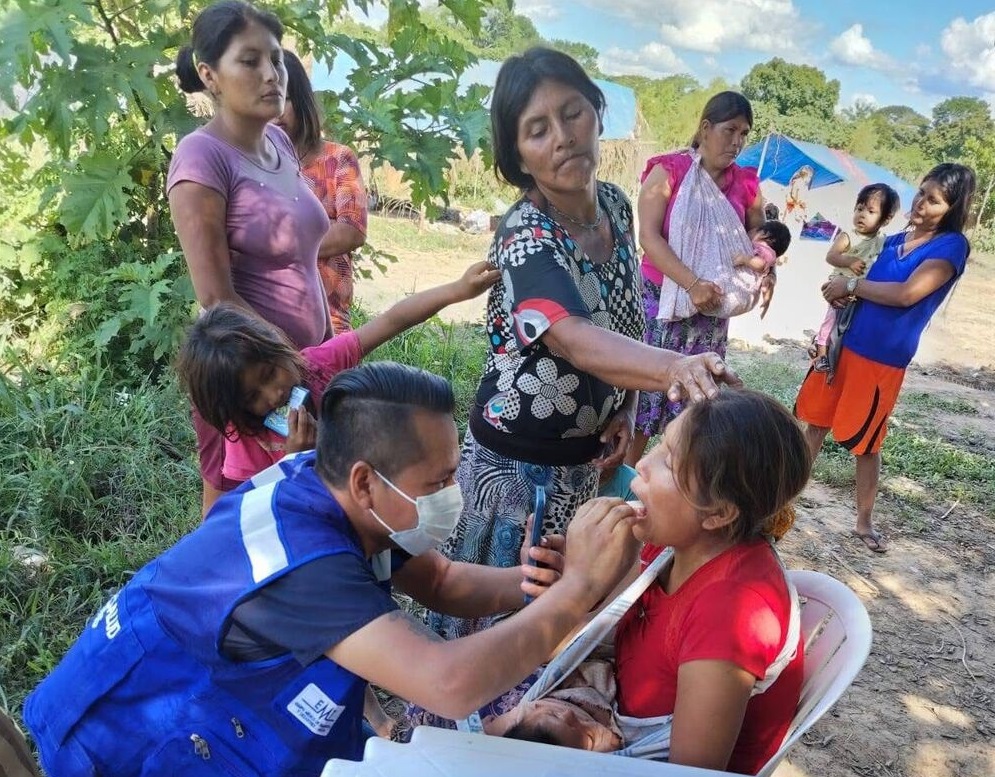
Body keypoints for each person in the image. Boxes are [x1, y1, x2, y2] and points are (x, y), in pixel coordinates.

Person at [23, 362, 642, 776]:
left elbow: (443, 581)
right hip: (124, 730)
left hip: (216, 699)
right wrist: (578, 591)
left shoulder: (339, 490)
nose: (453, 492)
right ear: (367, 481)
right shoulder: (303, 564)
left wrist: (539, 584)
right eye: (441, 480)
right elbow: (446, 683)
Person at [430, 49, 740, 642]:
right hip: (515, 464)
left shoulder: (619, 210)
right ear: (517, 156)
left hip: (583, 462)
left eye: (572, 114)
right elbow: (572, 337)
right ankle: (458, 725)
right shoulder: (524, 234)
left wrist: (623, 406)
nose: (563, 138)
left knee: (558, 609)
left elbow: (624, 319)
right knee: (494, 622)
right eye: (537, 130)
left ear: (598, 114)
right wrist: (675, 366)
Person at [484, 390, 812, 775]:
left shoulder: (730, 614)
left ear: (718, 513)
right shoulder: (673, 544)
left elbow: (692, 771)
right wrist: (575, 583)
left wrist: (578, 589)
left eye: (670, 463)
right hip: (609, 706)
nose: (642, 463)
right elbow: (572, 644)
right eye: (661, 444)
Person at [168, 1, 331, 515]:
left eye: (277, 59)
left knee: (297, 498)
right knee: (233, 508)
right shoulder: (201, 158)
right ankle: (209, 596)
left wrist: (314, 355)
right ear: (209, 74)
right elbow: (215, 296)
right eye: (250, 61)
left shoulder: (279, 142)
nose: (271, 75)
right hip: (249, 378)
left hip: (297, 368)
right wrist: (290, 365)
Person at [176, 261, 498, 488]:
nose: (272, 394)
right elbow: (259, 509)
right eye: (252, 397)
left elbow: (391, 321)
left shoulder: (318, 366)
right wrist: (293, 461)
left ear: (277, 345)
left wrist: (457, 290)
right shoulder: (246, 435)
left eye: (270, 373)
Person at [795, 163, 975, 553]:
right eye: (921, 192)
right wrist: (837, 291)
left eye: (934, 200)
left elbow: (908, 294)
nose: (921, 204)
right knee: (815, 424)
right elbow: (854, 274)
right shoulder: (893, 239)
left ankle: (863, 521)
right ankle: (786, 495)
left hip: (881, 359)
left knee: (867, 442)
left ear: (953, 208)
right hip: (843, 344)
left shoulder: (951, 247)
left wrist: (854, 285)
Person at [626, 91, 767, 468]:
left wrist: (763, 261)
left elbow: (760, 236)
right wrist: (692, 285)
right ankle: (621, 483)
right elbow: (649, 237)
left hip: (712, 312)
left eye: (745, 133)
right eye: (730, 130)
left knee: (694, 405)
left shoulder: (747, 185)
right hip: (660, 301)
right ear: (705, 128)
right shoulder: (668, 171)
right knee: (644, 394)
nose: (737, 141)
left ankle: (671, 484)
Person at [276, 50, 368, 334]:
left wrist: (276, 246)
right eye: (267, 100)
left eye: (285, 98)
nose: (276, 112)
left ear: (302, 101)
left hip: (330, 319)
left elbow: (351, 231)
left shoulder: (338, 159)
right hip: (269, 320)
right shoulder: (251, 167)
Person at [809, 184, 900, 371]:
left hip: (858, 292)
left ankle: (832, 352)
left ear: (886, 219)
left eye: (871, 211)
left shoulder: (882, 240)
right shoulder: (848, 236)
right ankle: (821, 354)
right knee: (831, 320)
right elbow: (831, 256)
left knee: (844, 327)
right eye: (859, 208)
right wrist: (849, 261)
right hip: (838, 287)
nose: (862, 214)